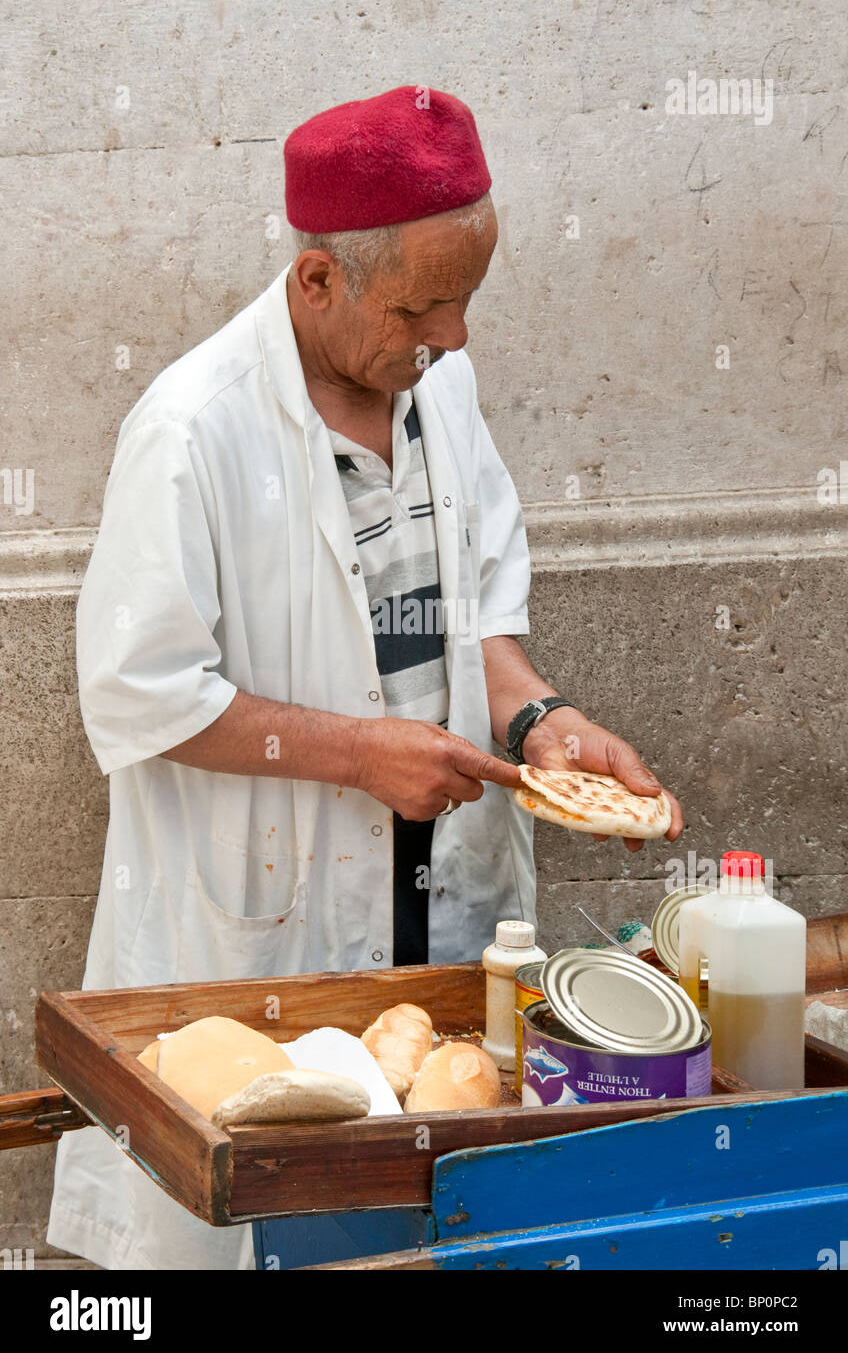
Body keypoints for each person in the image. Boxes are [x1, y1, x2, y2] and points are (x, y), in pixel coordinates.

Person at [47, 85, 682, 1270]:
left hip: (436, 902)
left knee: (420, 1222)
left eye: (464, 301)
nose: (453, 336)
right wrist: (357, 753)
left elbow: (478, 615)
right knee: (260, 1213)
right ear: (317, 283)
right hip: (264, 928)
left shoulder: (437, 383)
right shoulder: (192, 433)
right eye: (421, 305)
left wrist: (541, 718)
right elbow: (138, 689)